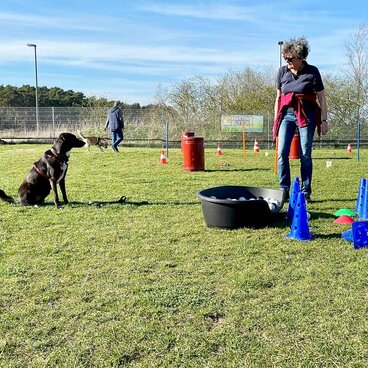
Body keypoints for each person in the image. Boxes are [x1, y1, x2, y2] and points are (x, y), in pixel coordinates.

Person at [273, 37, 328, 202]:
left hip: (307, 115)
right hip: (287, 115)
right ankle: (284, 191)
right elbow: (278, 98)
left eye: (290, 58)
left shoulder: (312, 72)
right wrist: (277, 119)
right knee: (282, 153)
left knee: (305, 154)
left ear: (301, 57)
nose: (287, 61)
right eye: (285, 58)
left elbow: (322, 98)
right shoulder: (282, 72)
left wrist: (324, 121)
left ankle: (305, 192)